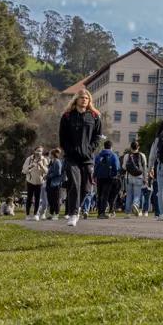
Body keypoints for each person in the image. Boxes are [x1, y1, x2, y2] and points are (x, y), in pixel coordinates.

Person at [59, 89, 102, 227]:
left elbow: (97, 136)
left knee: (86, 188)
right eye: (82, 97)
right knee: (75, 185)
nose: (84, 100)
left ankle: (76, 209)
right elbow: (63, 138)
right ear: (76, 99)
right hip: (71, 158)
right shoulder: (67, 116)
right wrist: (69, 150)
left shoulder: (95, 116)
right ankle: (73, 214)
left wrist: (90, 149)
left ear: (89, 101)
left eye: (87, 98)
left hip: (87, 158)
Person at [93, 140, 121, 219]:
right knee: (105, 195)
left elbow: (96, 166)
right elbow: (116, 166)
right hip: (109, 177)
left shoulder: (99, 155)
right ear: (111, 147)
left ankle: (99, 213)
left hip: (99, 177)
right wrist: (115, 174)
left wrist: (94, 176)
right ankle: (103, 212)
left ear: (104, 146)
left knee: (100, 194)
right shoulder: (113, 155)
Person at [21, 146, 49, 221]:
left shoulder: (44, 160)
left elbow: (47, 171)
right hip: (30, 181)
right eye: (37, 150)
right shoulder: (29, 159)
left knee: (37, 199)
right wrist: (30, 166)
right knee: (29, 198)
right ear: (34, 151)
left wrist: (42, 166)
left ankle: (36, 214)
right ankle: (27, 215)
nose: (39, 152)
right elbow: (23, 171)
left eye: (40, 151)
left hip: (39, 182)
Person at [121, 141, 148, 216]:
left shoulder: (127, 156)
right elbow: (145, 168)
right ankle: (135, 204)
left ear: (130, 147)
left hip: (129, 177)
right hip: (139, 177)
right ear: (138, 147)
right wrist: (145, 178)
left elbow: (124, 167)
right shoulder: (142, 155)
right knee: (137, 194)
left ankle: (127, 213)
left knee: (129, 195)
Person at [43, 148, 65, 220]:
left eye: (50, 154)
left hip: (55, 183)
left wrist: (48, 176)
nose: (49, 155)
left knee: (56, 199)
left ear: (53, 154)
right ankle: (51, 213)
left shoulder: (57, 162)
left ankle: (56, 214)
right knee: (50, 199)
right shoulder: (52, 162)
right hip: (50, 183)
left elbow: (58, 172)